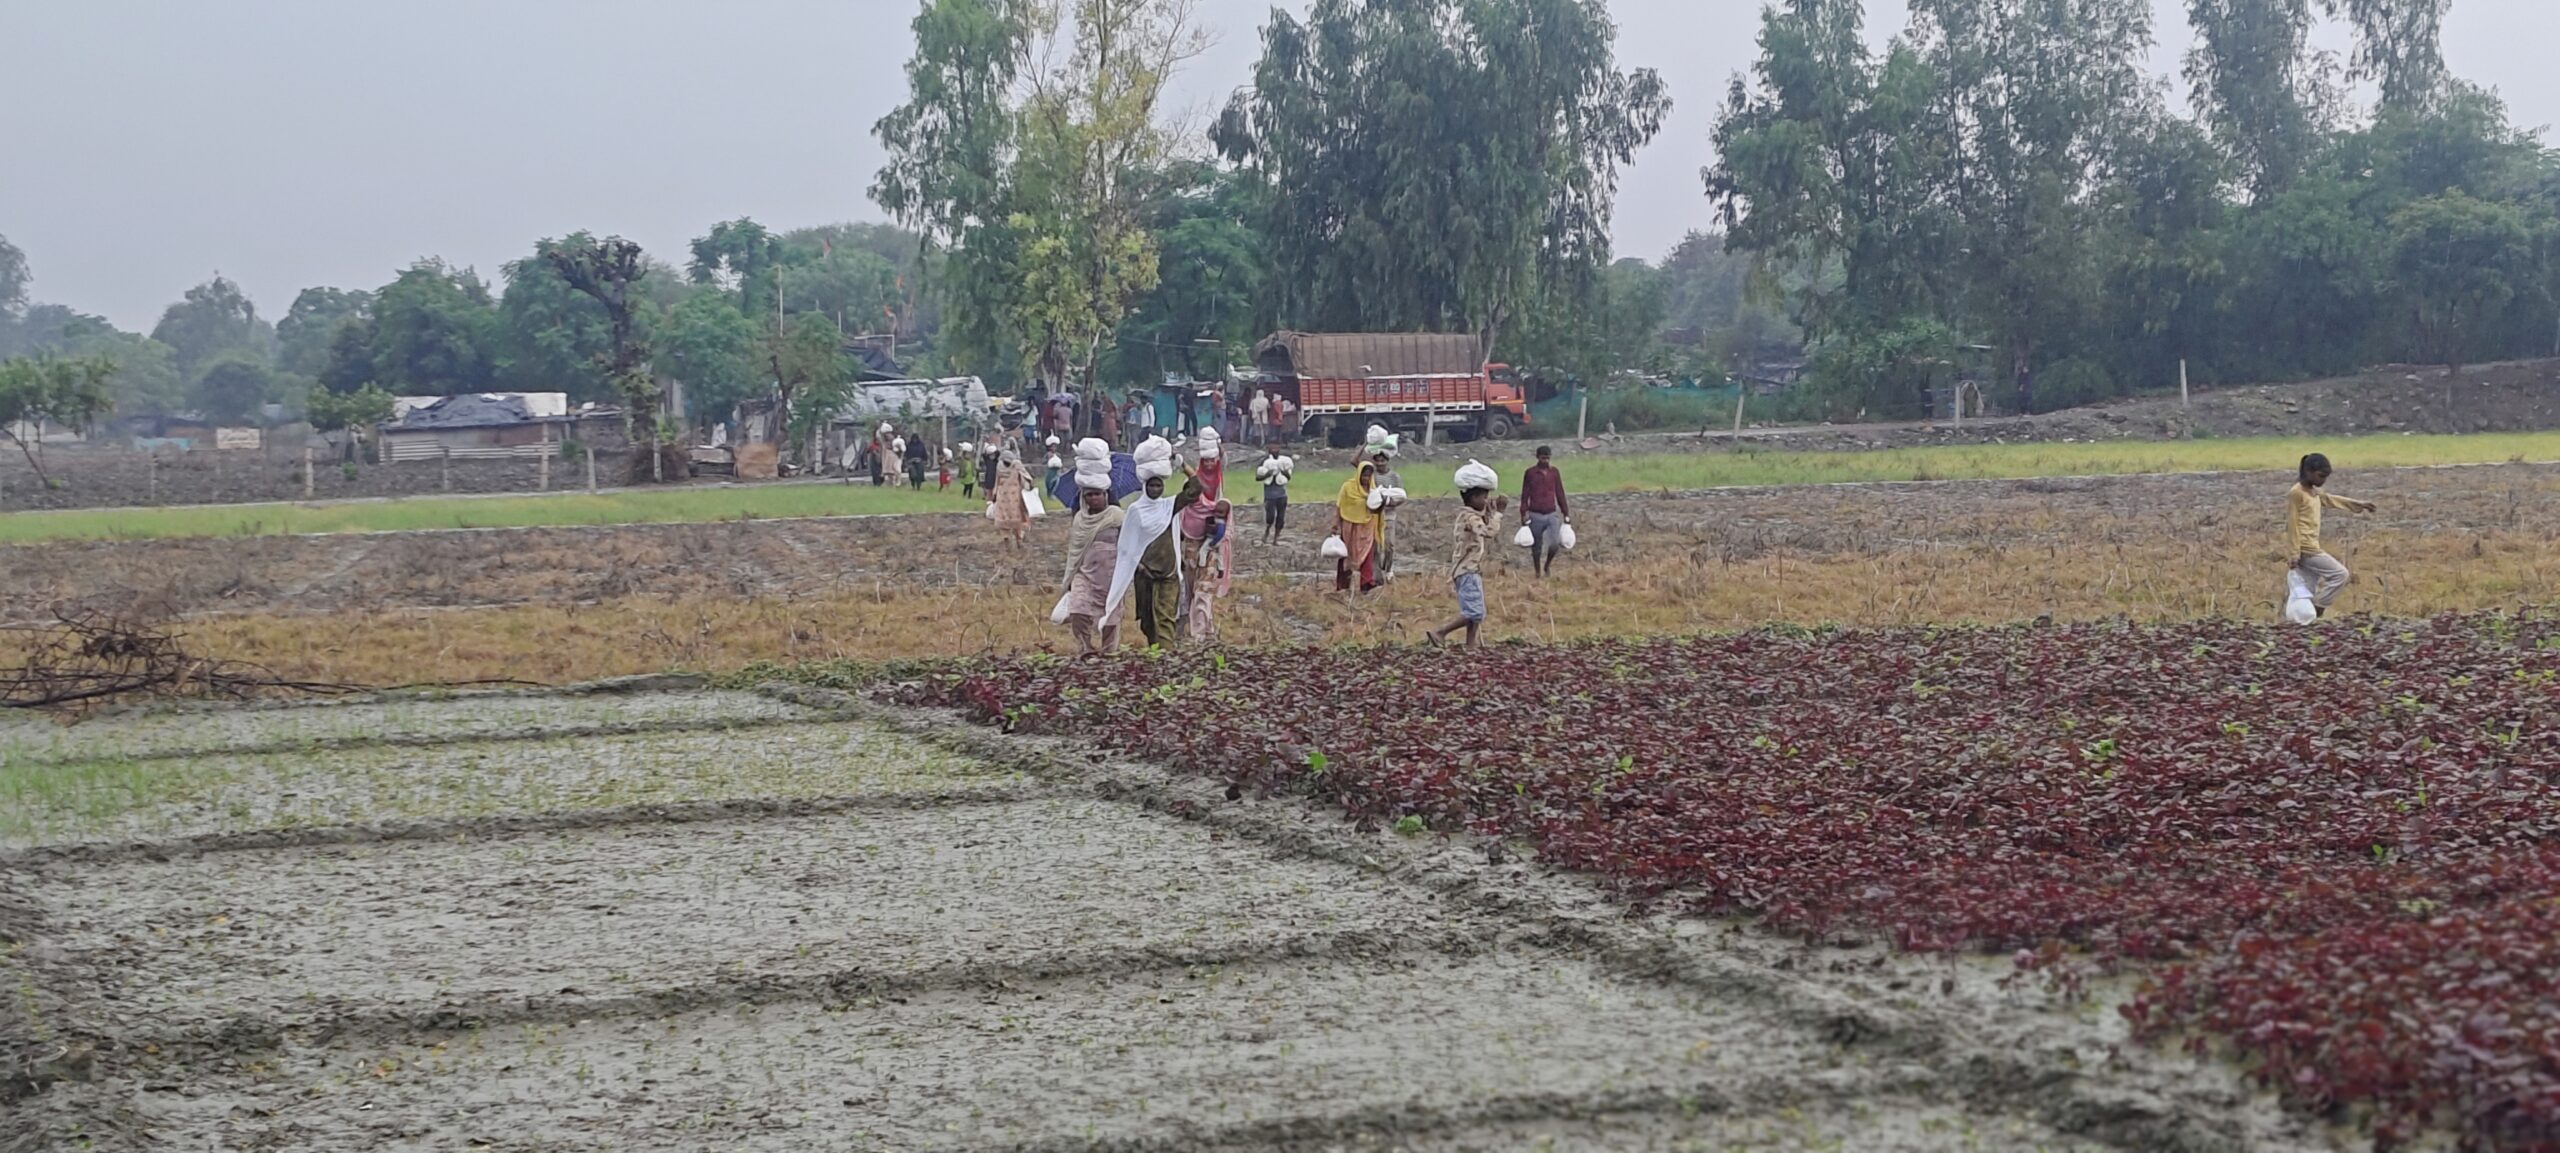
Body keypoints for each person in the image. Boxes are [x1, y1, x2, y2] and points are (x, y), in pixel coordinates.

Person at [1106, 436, 1183, 647]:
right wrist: (1139, 567)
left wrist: (1181, 464)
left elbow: (1196, 490)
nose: (1156, 489)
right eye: (1152, 485)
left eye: (1159, 485)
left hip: (1167, 574)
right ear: (1145, 486)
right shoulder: (1135, 510)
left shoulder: (1170, 506)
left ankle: (1167, 662)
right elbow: (1126, 546)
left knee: (1165, 622)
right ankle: (1155, 658)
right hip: (1144, 575)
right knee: (1148, 623)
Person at [1427, 461, 1508, 650]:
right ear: (1472, 497)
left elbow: (1483, 523)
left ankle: (1471, 645)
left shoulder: (1470, 514)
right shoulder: (1469, 517)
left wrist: (1489, 511)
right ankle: (1441, 632)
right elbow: (1488, 532)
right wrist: (1499, 514)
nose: (1486, 500)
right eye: (1483, 497)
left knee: (1476, 608)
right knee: (1475, 612)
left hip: (1470, 568)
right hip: (1466, 570)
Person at [1056, 441, 1125, 656]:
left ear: (1106, 494)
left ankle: (1109, 651)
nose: (1094, 498)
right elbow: (1074, 552)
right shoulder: (1080, 519)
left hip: (1111, 575)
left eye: (1098, 494)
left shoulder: (1116, 516)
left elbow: (1127, 546)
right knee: (1077, 610)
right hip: (1084, 573)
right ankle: (1085, 647)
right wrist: (1070, 579)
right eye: (1089, 495)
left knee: (1111, 618)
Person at [2289, 452, 2377, 618]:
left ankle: (2298, 621)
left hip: (2312, 545)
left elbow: (2330, 499)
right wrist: (2294, 553)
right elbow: (2292, 524)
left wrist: (2359, 504)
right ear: (2308, 471)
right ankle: (2317, 612)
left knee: (2304, 590)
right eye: (2320, 476)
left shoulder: (2314, 492)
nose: (2323, 481)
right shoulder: (2297, 493)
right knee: (2340, 575)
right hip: (2306, 548)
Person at [1176, 478, 1231, 642]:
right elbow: (1177, 535)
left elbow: (1226, 530)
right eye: (1188, 493)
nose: (1192, 496)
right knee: (1192, 594)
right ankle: (1208, 631)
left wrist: (1215, 540)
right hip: (1189, 556)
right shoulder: (1182, 512)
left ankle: (1198, 635)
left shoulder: (1213, 508)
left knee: (1202, 592)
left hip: (1210, 556)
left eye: (1195, 492)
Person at [1332, 461, 1385, 595]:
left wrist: (1382, 503)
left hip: (1367, 526)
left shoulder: (1373, 490)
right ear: (1358, 474)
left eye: (1368, 476)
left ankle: (1366, 584)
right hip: (1349, 526)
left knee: (1366, 555)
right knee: (1346, 555)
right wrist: (1336, 524)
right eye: (1363, 475)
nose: (1365, 479)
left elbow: (1377, 509)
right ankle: (1342, 585)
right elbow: (1340, 505)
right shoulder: (1348, 487)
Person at [1519, 444, 1571, 578]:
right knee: (1536, 546)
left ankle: (1547, 565)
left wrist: (1566, 513)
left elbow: (1560, 493)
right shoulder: (1530, 473)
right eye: (1543, 458)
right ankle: (1537, 571)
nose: (1545, 461)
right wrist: (1523, 513)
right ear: (1537, 458)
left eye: (1547, 458)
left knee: (1554, 544)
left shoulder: (1554, 472)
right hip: (1535, 514)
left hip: (1551, 513)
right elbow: (1525, 494)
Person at [991, 447, 1031, 546]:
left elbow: (997, 481)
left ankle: (1006, 539)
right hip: (1015, 497)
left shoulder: (999, 467)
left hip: (1002, 497)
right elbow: (1026, 478)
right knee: (1018, 518)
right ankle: (1019, 539)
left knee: (1004, 517)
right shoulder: (1017, 466)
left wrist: (994, 494)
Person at [1255, 453, 1294, 546]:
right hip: (1269, 496)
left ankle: (1275, 538)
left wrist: (1283, 471)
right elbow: (1258, 477)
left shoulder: (1284, 463)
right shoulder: (1265, 463)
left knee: (1281, 517)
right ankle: (1267, 531)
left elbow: (1288, 477)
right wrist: (1267, 474)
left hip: (1282, 495)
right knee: (1270, 516)